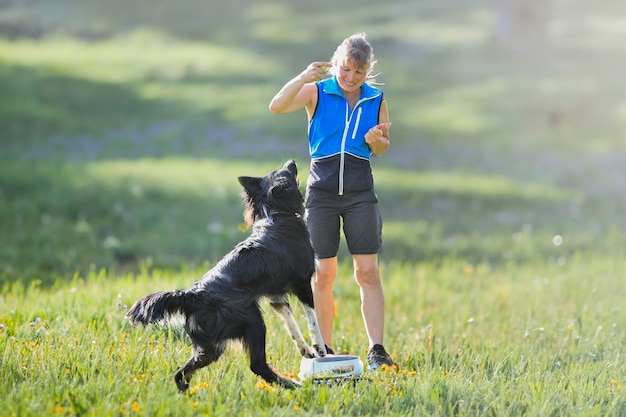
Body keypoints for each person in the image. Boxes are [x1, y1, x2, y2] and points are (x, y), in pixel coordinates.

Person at [269, 32, 394, 370]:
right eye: (345, 69)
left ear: (367, 73)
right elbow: (276, 106)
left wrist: (376, 140)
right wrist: (302, 77)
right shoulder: (317, 91)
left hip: (360, 194)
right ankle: (324, 349)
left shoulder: (376, 99)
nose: (350, 78)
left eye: (358, 73)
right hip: (321, 194)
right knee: (323, 274)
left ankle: (378, 350)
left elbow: (382, 146)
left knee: (367, 272)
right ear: (336, 63)